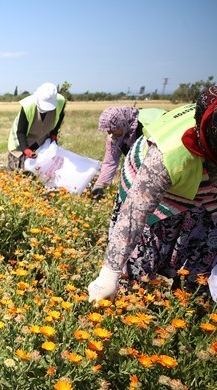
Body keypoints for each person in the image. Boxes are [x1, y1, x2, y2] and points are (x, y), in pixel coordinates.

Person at [88, 86, 217, 301]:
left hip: (200, 190)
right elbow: (132, 217)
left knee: (201, 246)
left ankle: (191, 301)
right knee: (141, 250)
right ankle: (132, 297)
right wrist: (107, 276)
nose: (112, 135)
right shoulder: (168, 153)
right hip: (147, 181)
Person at [91, 106, 166, 199]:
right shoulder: (114, 135)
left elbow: (161, 155)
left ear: (120, 124)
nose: (109, 132)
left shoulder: (147, 125)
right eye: (107, 129)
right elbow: (110, 161)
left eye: (112, 129)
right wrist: (100, 184)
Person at [7, 82, 66, 171]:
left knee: (38, 170)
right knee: (17, 171)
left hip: (41, 140)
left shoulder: (60, 102)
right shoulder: (28, 106)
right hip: (21, 141)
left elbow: (59, 119)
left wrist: (54, 135)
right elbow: (21, 132)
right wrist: (25, 149)